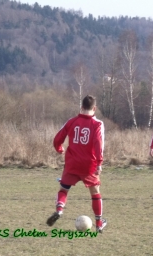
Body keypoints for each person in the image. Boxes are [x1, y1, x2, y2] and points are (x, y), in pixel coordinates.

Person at [46, 95, 107, 233]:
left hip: (72, 163)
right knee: (95, 192)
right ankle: (98, 223)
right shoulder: (98, 124)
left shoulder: (72, 121)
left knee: (63, 189)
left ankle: (59, 210)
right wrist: (99, 163)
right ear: (94, 108)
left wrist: (59, 148)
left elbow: (57, 138)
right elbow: (99, 144)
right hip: (89, 165)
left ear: (81, 107)